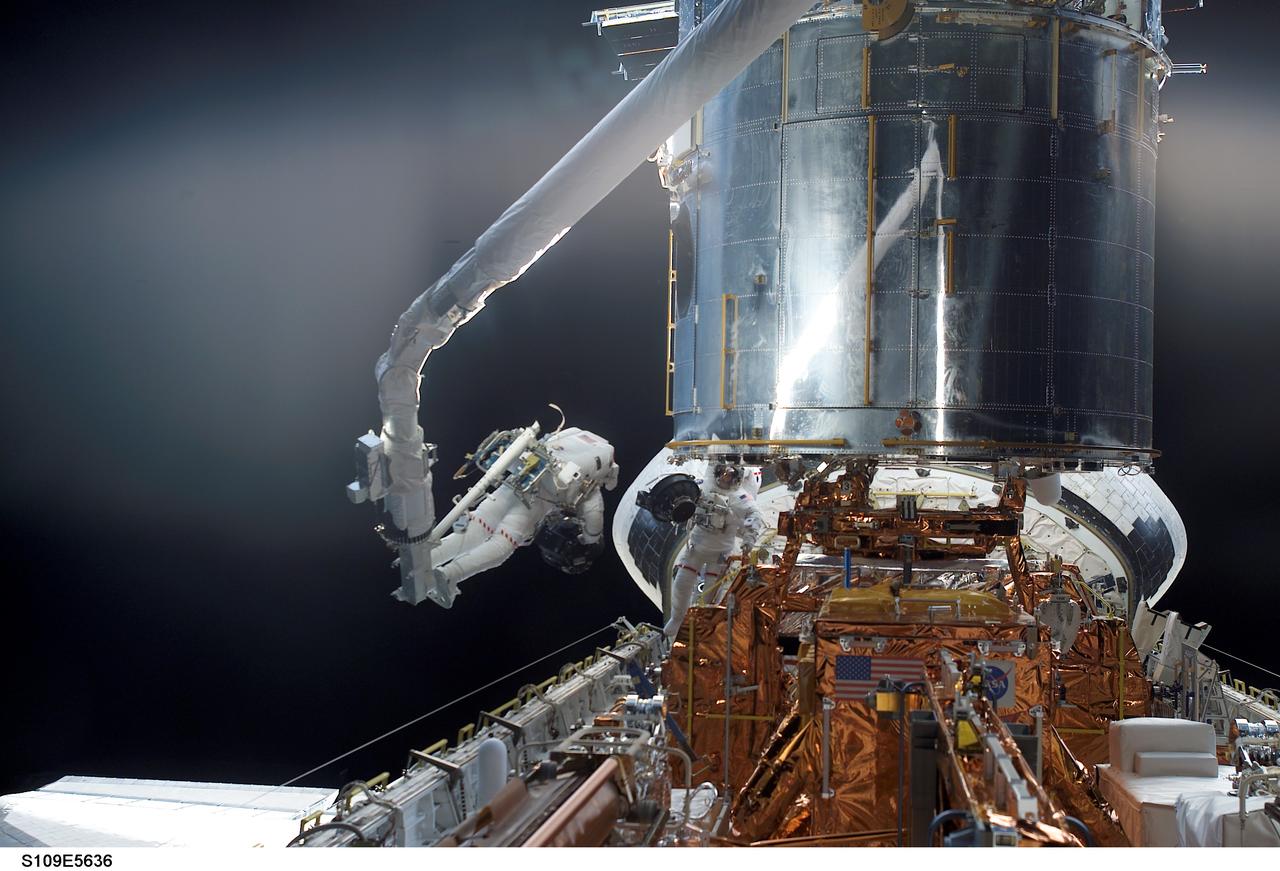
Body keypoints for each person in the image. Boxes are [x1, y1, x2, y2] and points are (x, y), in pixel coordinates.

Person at [429, 427, 618, 606]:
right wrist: (588, 539)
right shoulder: (593, 486)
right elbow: (594, 518)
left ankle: (428, 559)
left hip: (512, 485)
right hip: (533, 504)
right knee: (501, 547)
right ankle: (448, 574)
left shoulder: (570, 437)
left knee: (474, 531)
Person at [663, 463, 765, 639]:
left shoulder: (740, 497)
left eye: (729, 475)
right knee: (681, 583)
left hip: (720, 555)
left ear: (736, 479)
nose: (724, 477)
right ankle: (678, 618)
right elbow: (685, 497)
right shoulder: (706, 486)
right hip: (696, 548)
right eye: (722, 473)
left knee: (710, 593)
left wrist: (749, 540)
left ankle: (702, 623)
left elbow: (755, 516)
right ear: (717, 473)